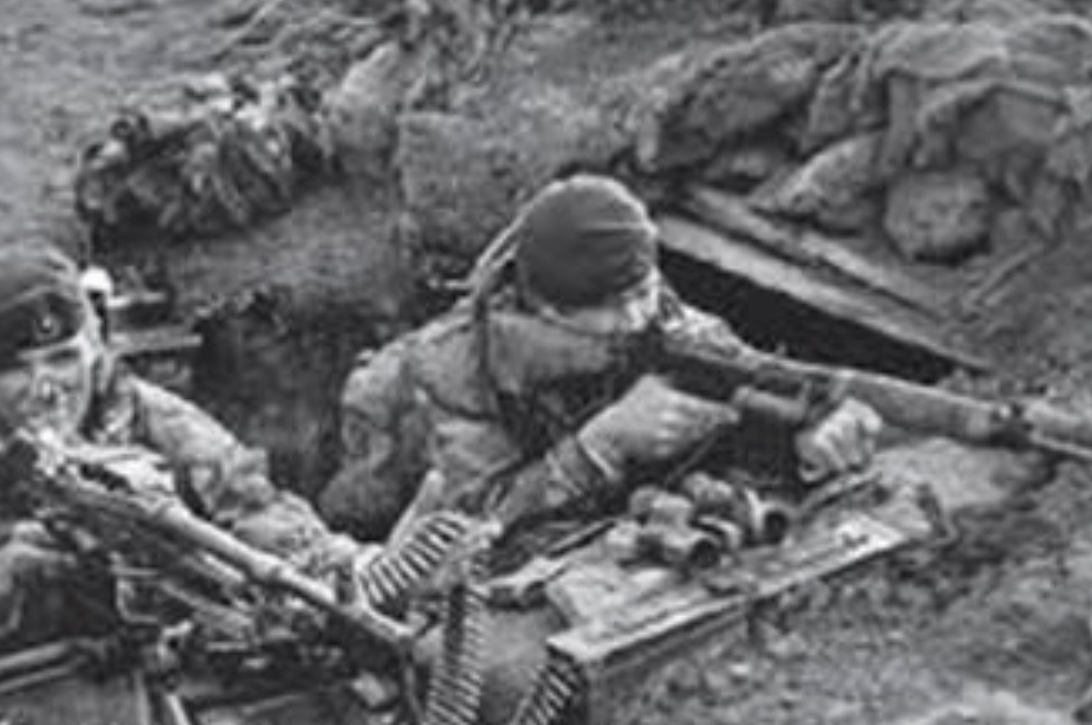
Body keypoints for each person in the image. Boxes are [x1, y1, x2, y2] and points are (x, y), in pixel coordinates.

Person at [0, 244, 373, 685]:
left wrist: (356, 571)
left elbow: (264, 520)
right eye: (18, 370)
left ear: (96, 350)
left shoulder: (158, 423)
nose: (46, 390)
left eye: (64, 359)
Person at [323, 173, 882, 542]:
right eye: (614, 307)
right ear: (546, 308)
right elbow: (457, 533)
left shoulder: (676, 329)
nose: (639, 319)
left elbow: (754, 399)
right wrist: (600, 446)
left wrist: (811, 433)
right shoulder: (446, 376)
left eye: (646, 290)